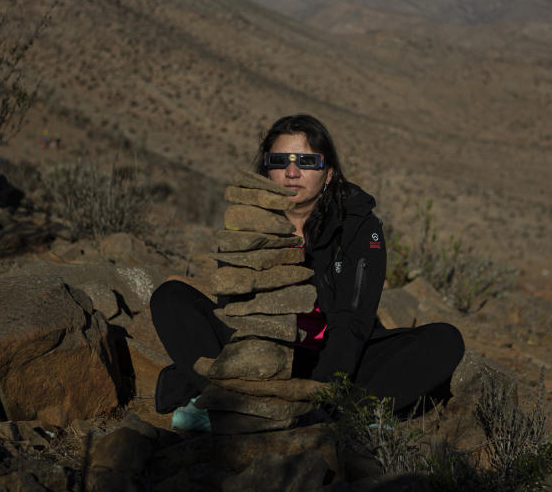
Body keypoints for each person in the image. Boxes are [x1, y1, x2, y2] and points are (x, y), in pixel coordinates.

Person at [150, 114, 464, 431]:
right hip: (259, 357)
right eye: (279, 160)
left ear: (328, 173)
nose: (291, 172)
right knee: (170, 298)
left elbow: (352, 321)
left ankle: (323, 417)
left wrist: (321, 392)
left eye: (306, 160)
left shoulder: (358, 225)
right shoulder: (249, 221)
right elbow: (234, 311)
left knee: (443, 341)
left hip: (334, 358)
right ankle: (232, 403)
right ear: (266, 171)